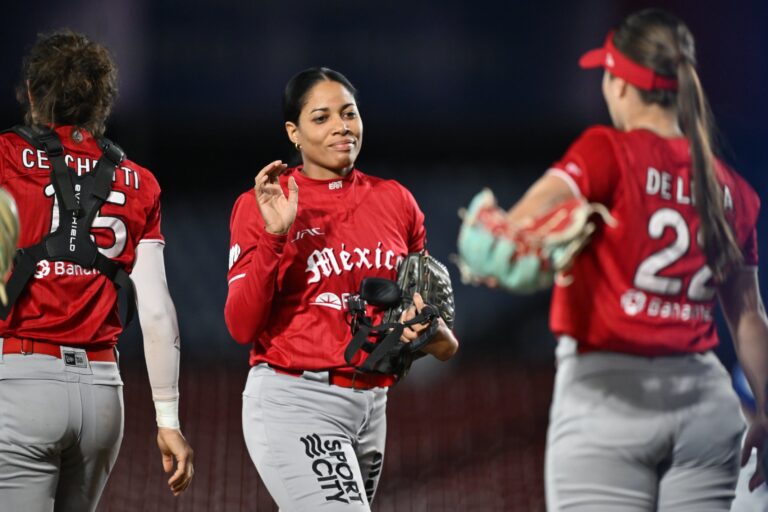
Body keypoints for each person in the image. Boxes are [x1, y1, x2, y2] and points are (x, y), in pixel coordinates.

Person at [458, 8, 767, 511]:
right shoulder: (734, 190)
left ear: (619, 83)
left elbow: (523, 222)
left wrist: (497, 236)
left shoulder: (605, 151)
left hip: (607, 404)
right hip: (706, 412)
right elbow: (750, 318)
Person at [225, 67, 458, 510]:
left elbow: (433, 326)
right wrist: (276, 236)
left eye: (348, 113)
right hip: (297, 398)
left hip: (372, 403)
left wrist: (423, 330)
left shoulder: (396, 201)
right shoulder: (264, 203)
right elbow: (240, 325)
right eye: (321, 117)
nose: (341, 127)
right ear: (293, 132)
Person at [0, 30, 194, 511]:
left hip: (20, 382)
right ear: (101, 102)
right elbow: (156, 314)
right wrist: (167, 419)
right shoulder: (141, 183)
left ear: (30, 91)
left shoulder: (4, 157)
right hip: (104, 394)